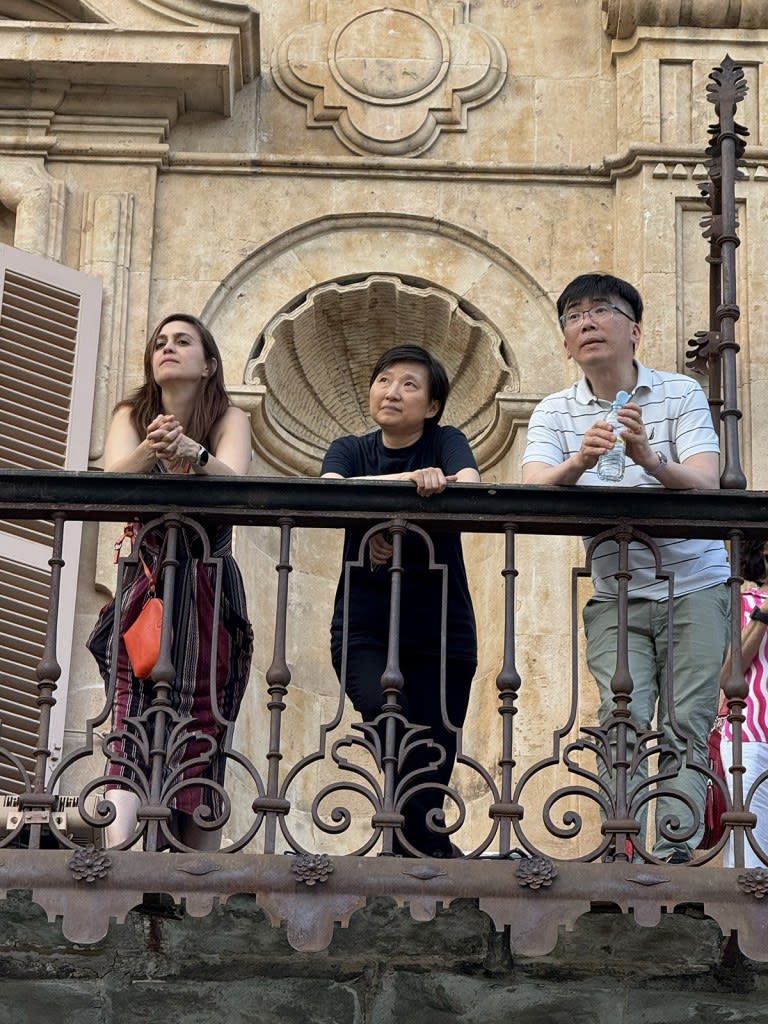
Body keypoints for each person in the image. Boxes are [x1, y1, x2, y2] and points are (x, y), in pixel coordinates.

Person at [522, 273, 730, 863]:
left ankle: (673, 851)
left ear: (633, 330)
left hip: (695, 579)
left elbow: (705, 478)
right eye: (572, 317)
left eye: (600, 311)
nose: (585, 322)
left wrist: (648, 458)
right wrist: (577, 462)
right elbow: (533, 483)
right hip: (616, 589)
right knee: (623, 719)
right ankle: (625, 846)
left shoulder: (678, 393)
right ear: (565, 343)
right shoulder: (557, 410)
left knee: (687, 720)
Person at [87, 313, 253, 850]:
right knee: (134, 709)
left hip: (209, 588)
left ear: (208, 364)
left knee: (204, 717)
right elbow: (112, 480)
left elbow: (237, 480)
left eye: (183, 341)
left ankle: (194, 875)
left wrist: (193, 454)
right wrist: (154, 448)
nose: (168, 348)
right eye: (160, 342)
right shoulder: (132, 414)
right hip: (150, 586)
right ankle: (116, 854)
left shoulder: (229, 416)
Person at [321, 344, 480, 857]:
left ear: (432, 405)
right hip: (365, 625)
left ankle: (412, 854)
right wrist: (407, 485)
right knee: (390, 723)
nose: (392, 392)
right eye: (384, 379)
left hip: (441, 628)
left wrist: (407, 501)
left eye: (409, 384)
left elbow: (471, 486)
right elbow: (330, 493)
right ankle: (430, 850)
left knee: (436, 747)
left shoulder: (446, 440)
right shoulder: (349, 448)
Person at [720, 536, 768, 867]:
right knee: (749, 851)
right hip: (751, 739)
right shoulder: (743, 601)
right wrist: (764, 613)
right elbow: (728, 676)